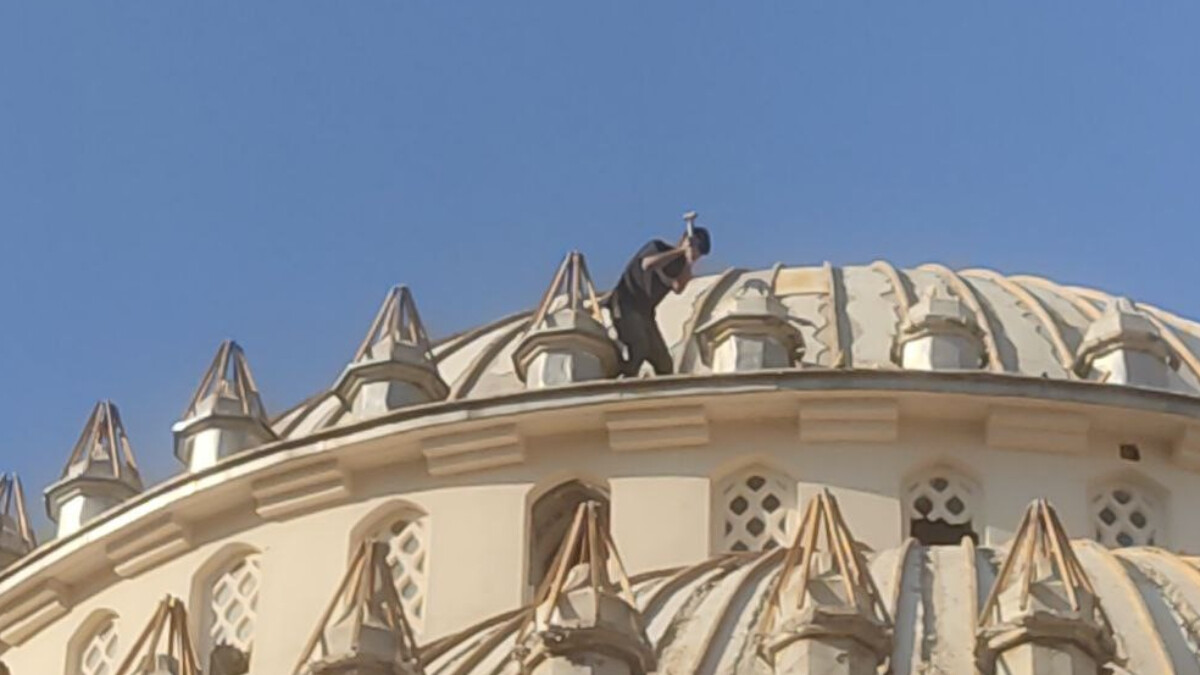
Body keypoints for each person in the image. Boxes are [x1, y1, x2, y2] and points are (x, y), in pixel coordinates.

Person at [606, 221, 711, 376]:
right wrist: (680, 250)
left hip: (646, 314)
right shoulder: (658, 247)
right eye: (695, 247)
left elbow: (678, 288)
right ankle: (623, 379)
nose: (695, 254)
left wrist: (688, 263)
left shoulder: (681, 267)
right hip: (625, 304)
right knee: (639, 346)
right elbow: (647, 264)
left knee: (664, 364)